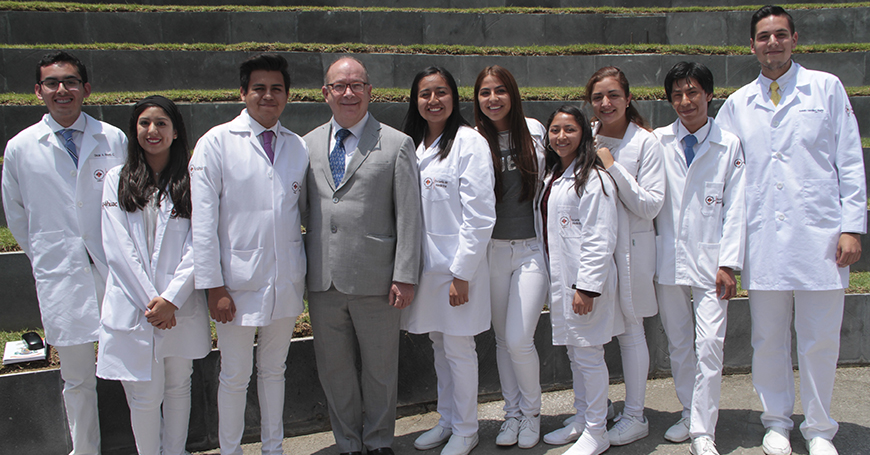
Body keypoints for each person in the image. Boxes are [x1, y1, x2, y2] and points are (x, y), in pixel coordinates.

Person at [715, 6, 866, 455]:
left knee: (820, 339)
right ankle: (777, 420)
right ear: (752, 45)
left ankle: (819, 428)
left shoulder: (826, 88)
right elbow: (720, 171)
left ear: (795, 39)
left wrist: (852, 226)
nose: (773, 43)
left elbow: (851, 161)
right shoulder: (738, 103)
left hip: (820, 238)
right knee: (768, 338)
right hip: (762, 240)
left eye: (781, 35)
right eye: (764, 36)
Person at [2, 51, 127, 455]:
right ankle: (85, 449)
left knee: (134, 364)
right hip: (61, 274)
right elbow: (17, 215)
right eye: (52, 83)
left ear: (86, 89)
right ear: (38, 91)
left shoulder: (113, 138)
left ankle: (150, 443)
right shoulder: (21, 148)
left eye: (71, 82)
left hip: (116, 271)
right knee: (75, 376)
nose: (62, 90)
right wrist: (48, 255)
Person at [189, 53, 309, 455]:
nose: (268, 96)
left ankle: (273, 447)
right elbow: (201, 224)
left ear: (287, 96)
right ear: (243, 93)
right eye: (259, 88)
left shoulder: (296, 147)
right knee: (235, 374)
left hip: (285, 279)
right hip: (235, 286)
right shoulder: (216, 143)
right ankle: (231, 449)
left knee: (275, 370)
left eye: (277, 88)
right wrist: (213, 285)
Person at [303, 56, 422, 455]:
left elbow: (409, 214)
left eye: (357, 85)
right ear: (326, 93)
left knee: (380, 369)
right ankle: (349, 444)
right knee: (333, 370)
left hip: (377, 278)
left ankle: (379, 441)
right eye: (339, 86)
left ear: (370, 91)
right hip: (322, 279)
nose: (348, 93)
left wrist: (405, 274)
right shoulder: (306, 144)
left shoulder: (396, 143)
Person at [547, 66, 665, 448]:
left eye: (614, 95)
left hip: (628, 253)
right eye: (598, 97)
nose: (606, 103)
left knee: (630, 332)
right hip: (591, 254)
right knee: (583, 343)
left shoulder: (644, 143)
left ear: (628, 98)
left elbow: (649, 206)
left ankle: (634, 415)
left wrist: (612, 167)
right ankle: (591, 415)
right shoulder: (587, 136)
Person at [97, 95, 211, 455]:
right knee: (144, 395)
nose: (152, 130)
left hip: (180, 307)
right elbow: (116, 247)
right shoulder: (117, 179)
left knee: (179, 386)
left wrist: (173, 299)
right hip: (138, 307)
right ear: (135, 130)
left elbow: (202, 242)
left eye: (161, 123)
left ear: (176, 131)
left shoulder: (193, 180)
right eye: (145, 123)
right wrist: (155, 303)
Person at [402, 66, 496, 455]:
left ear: (454, 97)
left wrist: (462, 274)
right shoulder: (412, 143)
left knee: (459, 348)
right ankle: (447, 419)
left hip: (458, 271)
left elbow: (480, 215)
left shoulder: (469, 142)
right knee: (439, 345)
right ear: (415, 100)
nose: (433, 100)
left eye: (441, 92)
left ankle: (467, 428)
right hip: (425, 269)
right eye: (425, 93)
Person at [654, 62, 746, 455]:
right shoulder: (657, 141)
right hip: (667, 259)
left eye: (692, 93)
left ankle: (703, 431)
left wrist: (730, 263)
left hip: (711, 262)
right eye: (676, 95)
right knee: (678, 342)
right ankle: (690, 411)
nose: (685, 101)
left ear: (709, 95)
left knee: (709, 343)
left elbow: (737, 207)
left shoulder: (729, 143)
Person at [472, 65, 548, 449]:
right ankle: (512, 414)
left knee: (520, 339)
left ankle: (533, 414)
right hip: (493, 252)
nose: (493, 99)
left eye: (500, 90)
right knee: (502, 340)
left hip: (531, 249)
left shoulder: (534, 131)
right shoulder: (472, 139)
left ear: (513, 93)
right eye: (485, 92)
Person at [539, 105, 621, 455]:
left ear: (584, 134)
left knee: (588, 355)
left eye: (569, 129)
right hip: (564, 278)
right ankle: (584, 416)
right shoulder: (555, 175)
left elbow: (600, 237)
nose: (561, 136)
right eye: (555, 130)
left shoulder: (595, 178)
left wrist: (586, 287)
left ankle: (597, 430)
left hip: (584, 284)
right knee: (577, 354)